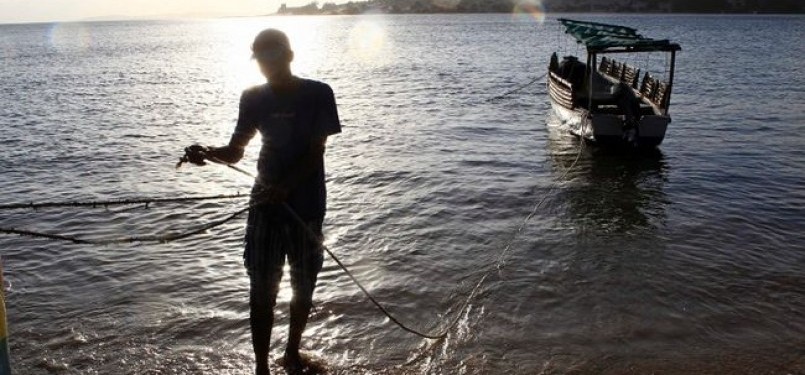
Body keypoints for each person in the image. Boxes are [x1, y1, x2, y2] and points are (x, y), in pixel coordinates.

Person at [182, 28, 341, 375]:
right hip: (264, 209)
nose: (266, 65)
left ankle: (291, 354)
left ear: (289, 56)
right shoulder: (252, 97)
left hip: (306, 208)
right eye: (260, 58)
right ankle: (260, 368)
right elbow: (236, 151)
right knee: (261, 292)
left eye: (273, 56)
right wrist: (206, 154)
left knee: (303, 288)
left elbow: (316, 153)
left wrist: (285, 186)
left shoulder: (318, 93)